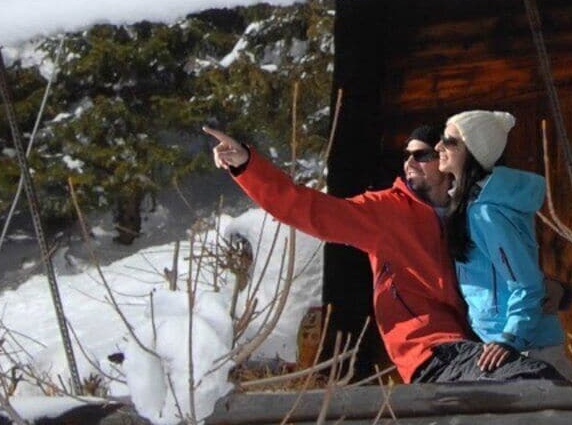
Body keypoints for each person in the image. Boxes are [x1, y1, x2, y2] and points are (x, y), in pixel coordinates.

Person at [202, 121, 473, 384]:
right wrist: (247, 165)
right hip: (428, 350)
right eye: (407, 155)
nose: (409, 163)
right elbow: (310, 209)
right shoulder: (388, 211)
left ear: (445, 159)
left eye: (421, 155)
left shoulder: (471, 212)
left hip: (476, 346)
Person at [436, 108, 572, 384]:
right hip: (503, 345)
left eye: (449, 141)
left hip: (527, 349)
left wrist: (510, 339)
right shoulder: (469, 206)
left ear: (473, 152)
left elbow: (526, 283)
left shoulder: (486, 213)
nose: (439, 146)